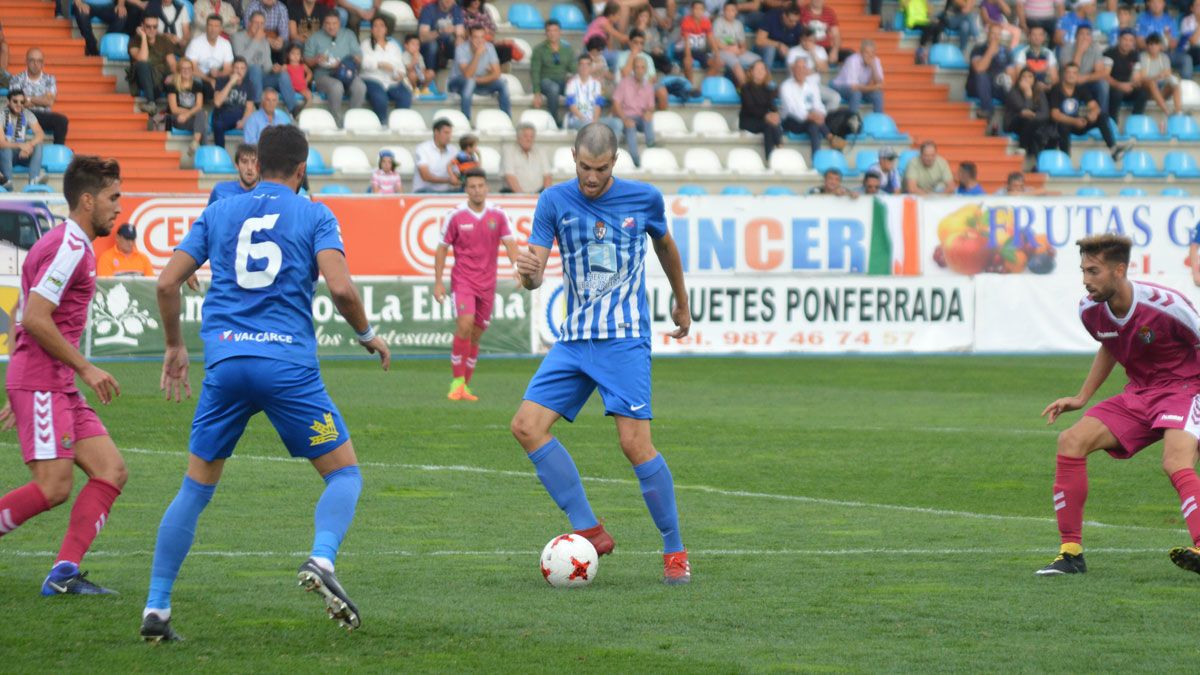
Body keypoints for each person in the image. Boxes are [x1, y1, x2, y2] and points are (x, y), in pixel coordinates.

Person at [141, 124, 391, 643]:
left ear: (260, 163)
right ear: (301, 170)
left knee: (194, 487)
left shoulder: (219, 211)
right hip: (286, 368)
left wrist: (174, 345)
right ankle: (322, 558)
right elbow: (341, 287)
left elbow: (166, 282)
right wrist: (366, 334)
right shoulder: (316, 214)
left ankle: (157, 608)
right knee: (344, 475)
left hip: (227, 364)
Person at [511, 123, 694, 585]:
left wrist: (681, 299)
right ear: (573, 157)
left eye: (601, 169)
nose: (591, 178)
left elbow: (665, 245)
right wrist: (530, 273)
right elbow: (533, 272)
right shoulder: (553, 201)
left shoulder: (644, 198)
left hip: (624, 338)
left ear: (615, 163)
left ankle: (674, 550)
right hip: (575, 339)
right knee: (526, 427)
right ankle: (590, 529)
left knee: (634, 444)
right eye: (584, 168)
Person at [1038, 234, 1200, 578]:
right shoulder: (1090, 310)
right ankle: (1070, 555)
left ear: (1120, 270)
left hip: (1186, 388)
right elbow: (1110, 344)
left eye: (1094, 271)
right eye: (1083, 270)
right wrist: (1082, 397)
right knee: (1071, 441)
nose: (1085, 280)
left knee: (1175, 461)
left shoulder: (1166, 305)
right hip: (1139, 394)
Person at [0, 155, 126, 595]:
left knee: (110, 470)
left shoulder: (64, 242)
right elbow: (35, 317)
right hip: (45, 378)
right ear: (87, 200)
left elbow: (21, 309)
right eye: (113, 198)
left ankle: (64, 573)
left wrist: (19, 379)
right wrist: (85, 367)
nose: (118, 208)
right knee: (53, 487)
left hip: (50, 381)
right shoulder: (69, 246)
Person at [433, 170, 519, 401]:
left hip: (487, 284)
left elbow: (510, 243)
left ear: (487, 188)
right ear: (466, 189)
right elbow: (442, 248)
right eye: (472, 186)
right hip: (463, 281)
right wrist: (439, 282)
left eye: (481, 185)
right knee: (465, 324)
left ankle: (465, 386)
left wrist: (517, 269)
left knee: (476, 335)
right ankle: (456, 382)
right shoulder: (455, 216)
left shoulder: (498, 215)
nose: (477, 190)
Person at [1049, 62, 1129, 160]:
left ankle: (1114, 150)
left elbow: (1094, 106)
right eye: (1068, 72)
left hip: (1080, 122)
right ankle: (1066, 159)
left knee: (1102, 116)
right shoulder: (1056, 89)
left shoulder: (1080, 88)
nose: (1071, 75)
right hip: (1065, 124)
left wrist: (1093, 114)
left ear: (1078, 75)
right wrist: (1074, 121)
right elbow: (1055, 115)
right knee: (1062, 126)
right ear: (1063, 74)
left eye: (1074, 73)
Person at [304, 12, 367, 125]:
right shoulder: (314, 38)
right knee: (336, 86)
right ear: (323, 24)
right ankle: (337, 121)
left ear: (339, 23)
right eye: (328, 23)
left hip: (346, 73)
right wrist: (317, 59)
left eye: (334, 23)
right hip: (324, 75)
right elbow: (307, 61)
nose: (331, 26)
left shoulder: (349, 35)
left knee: (360, 87)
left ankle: (351, 120)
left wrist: (344, 62)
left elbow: (359, 57)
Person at [234, 10, 300, 111]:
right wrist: (256, 39)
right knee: (255, 68)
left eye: (262, 24)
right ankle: (258, 105)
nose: (259, 26)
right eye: (256, 23)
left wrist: (274, 69)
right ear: (249, 23)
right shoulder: (237, 37)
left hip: (261, 79)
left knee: (283, 74)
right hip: (244, 77)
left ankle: (294, 109)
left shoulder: (264, 41)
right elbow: (241, 62)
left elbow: (267, 67)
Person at [448, 25, 511, 119]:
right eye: (476, 37)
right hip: (457, 84)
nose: (479, 40)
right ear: (469, 38)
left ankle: (507, 119)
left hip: (478, 83)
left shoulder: (489, 47)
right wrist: (477, 54)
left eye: (482, 37)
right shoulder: (461, 49)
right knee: (470, 82)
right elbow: (467, 75)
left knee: (502, 83)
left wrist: (477, 80)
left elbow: (497, 73)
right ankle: (466, 120)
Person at [779, 58, 838, 155]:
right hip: (791, 121)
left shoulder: (812, 85)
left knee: (813, 126)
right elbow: (792, 109)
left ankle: (816, 159)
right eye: (798, 67)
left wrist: (820, 114)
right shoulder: (786, 86)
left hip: (810, 120)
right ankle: (830, 137)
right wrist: (811, 116)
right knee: (813, 123)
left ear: (807, 70)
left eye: (803, 68)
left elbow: (818, 104)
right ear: (793, 70)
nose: (800, 70)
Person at [361, 15, 412, 125]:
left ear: (386, 29)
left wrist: (400, 74)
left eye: (382, 26)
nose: (379, 29)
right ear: (371, 29)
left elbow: (401, 66)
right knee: (380, 99)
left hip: (391, 80)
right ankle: (383, 125)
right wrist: (380, 65)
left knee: (405, 96)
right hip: (372, 79)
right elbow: (364, 63)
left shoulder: (393, 46)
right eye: (375, 26)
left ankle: (399, 124)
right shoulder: (366, 45)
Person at [11, 49, 68, 146]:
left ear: (43, 63)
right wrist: (42, 99)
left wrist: (28, 99)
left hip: (43, 116)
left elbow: (49, 102)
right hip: (23, 115)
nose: (35, 64)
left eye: (39, 61)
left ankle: (57, 152)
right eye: (32, 60)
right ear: (26, 62)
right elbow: (18, 103)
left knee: (62, 120)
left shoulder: (50, 79)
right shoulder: (16, 79)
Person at [128, 13, 181, 113]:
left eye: (155, 27)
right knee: (143, 65)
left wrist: (174, 75)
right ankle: (151, 103)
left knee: (178, 73)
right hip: (142, 80)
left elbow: (173, 64)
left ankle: (176, 109)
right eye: (148, 26)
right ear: (142, 26)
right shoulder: (134, 40)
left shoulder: (164, 40)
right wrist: (143, 37)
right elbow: (142, 59)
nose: (152, 30)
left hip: (160, 80)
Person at [612, 56, 656, 167]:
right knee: (630, 126)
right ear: (633, 69)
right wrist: (624, 119)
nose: (640, 70)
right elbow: (616, 103)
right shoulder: (624, 83)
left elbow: (651, 106)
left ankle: (651, 145)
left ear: (645, 70)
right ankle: (635, 159)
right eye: (637, 67)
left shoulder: (649, 86)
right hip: (626, 116)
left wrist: (648, 112)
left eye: (642, 68)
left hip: (641, 117)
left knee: (648, 118)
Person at [1004, 67, 1054, 162]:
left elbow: (1045, 114)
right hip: (1013, 123)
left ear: (1034, 79)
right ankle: (1025, 150)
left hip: (1032, 125)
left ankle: (1025, 150)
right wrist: (1028, 94)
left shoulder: (1039, 92)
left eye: (1030, 76)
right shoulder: (1013, 92)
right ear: (1019, 79)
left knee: (1036, 131)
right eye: (1024, 76)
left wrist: (1034, 118)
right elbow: (1024, 110)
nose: (1027, 79)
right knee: (1028, 120)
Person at [531, 20, 577, 124]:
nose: (552, 33)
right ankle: (554, 121)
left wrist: (573, 79)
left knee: (575, 86)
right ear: (545, 33)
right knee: (553, 88)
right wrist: (537, 93)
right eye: (549, 31)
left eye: (555, 30)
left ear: (560, 32)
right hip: (546, 81)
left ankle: (576, 119)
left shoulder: (567, 50)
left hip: (562, 81)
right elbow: (535, 72)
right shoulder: (539, 50)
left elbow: (574, 69)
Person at [0, 90, 47, 190]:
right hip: (4, 156)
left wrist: (29, 145)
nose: (19, 105)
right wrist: (20, 145)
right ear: (8, 102)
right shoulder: (1, 115)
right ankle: (8, 183)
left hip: (21, 154)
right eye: (15, 101)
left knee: (38, 145)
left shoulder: (27, 114)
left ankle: (33, 182)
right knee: (6, 149)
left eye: (22, 102)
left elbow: (40, 134)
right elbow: (1, 143)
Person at [969, 24, 1016, 122]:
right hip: (979, 87)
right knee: (982, 76)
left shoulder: (1006, 52)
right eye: (993, 34)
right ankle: (987, 111)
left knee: (1008, 83)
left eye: (998, 34)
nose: (995, 37)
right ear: (988, 34)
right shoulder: (978, 49)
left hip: (997, 86)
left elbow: (1011, 75)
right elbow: (979, 69)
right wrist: (991, 50)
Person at [738, 60, 782, 159]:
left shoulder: (768, 89)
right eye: (757, 69)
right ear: (751, 72)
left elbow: (772, 106)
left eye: (762, 69)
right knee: (769, 125)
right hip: (749, 121)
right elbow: (750, 108)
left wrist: (775, 115)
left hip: (763, 121)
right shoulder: (745, 88)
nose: (760, 71)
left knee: (772, 124)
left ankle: (773, 155)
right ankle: (776, 150)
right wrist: (766, 116)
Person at [1137, 33, 1182, 131]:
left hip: (1161, 90)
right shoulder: (1143, 57)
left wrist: (1164, 76)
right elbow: (1143, 78)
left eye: (1156, 44)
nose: (1153, 46)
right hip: (1148, 90)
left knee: (1175, 84)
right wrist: (1158, 76)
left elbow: (1168, 74)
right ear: (1147, 46)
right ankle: (1168, 112)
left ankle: (1178, 113)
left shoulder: (1164, 57)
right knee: (1151, 83)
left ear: (1160, 46)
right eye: (1150, 44)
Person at [186, 14, 236, 97]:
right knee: (195, 81)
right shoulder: (196, 42)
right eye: (210, 25)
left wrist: (218, 74)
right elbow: (192, 68)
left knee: (231, 78)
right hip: (200, 75)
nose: (213, 29)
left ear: (221, 29)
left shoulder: (226, 44)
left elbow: (228, 69)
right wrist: (209, 79)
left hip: (217, 75)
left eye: (216, 26)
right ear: (206, 27)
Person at [1137, 0, 1190, 77]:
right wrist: (1154, 48)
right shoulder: (1142, 19)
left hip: (1166, 53)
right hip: (1147, 53)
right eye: (1153, 2)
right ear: (1148, 4)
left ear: (1163, 4)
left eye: (1159, 2)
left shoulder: (1170, 20)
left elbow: (1174, 44)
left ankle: (1186, 86)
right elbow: (1139, 42)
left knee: (1186, 60)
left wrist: (1166, 42)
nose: (1156, 5)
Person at [1060, 24, 1109, 107]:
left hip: (1086, 81)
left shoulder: (1095, 48)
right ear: (1076, 37)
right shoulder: (1067, 48)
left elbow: (1100, 72)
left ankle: (1103, 116)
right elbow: (1071, 72)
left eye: (1088, 34)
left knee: (1103, 84)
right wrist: (1080, 51)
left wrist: (1085, 78)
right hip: (1068, 81)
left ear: (1091, 38)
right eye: (1081, 34)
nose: (1085, 37)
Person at [212, 57, 256, 149]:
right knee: (218, 124)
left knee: (255, 123)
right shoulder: (221, 81)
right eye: (236, 68)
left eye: (242, 68)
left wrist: (244, 121)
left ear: (246, 70)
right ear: (232, 69)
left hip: (240, 116)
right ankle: (221, 152)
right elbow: (217, 102)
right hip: (223, 114)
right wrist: (231, 83)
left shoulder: (249, 84)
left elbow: (249, 107)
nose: (239, 71)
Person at [166, 58, 208, 155]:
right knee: (202, 120)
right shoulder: (172, 86)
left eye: (189, 68)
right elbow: (174, 109)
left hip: (189, 118)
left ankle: (195, 142)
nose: (186, 71)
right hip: (177, 118)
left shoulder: (198, 85)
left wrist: (187, 114)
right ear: (179, 70)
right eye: (183, 68)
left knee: (201, 120)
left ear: (192, 70)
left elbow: (199, 105)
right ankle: (203, 154)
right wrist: (191, 113)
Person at [714, 1, 760, 86]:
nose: (730, 13)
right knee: (736, 64)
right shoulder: (718, 22)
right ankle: (746, 90)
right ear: (723, 11)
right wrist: (729, 49)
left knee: (757, 60)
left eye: (732, 10)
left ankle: (757, 87)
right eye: (727, 10)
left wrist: (740, 50)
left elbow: (743, 44)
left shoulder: (738, 24)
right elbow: (715, 43)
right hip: (722, 52)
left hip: (736, 51)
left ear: (736, 12)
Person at [831, 39, 884, 113]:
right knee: (856, 94)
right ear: (861, 53)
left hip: (861, 87)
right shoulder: (853, 60)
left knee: (877, 95)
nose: (870, 55)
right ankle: (851, 120)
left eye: (872, 53)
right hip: (840, 86)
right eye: (867, 52)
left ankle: (878, 121)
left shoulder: (875, 61)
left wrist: (873, 67)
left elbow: (879, 82)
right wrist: (874, 87)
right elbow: (854, 87)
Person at [1103, 29, 1147, 119]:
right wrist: (1119, 85)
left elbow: (1136, 76)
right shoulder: (1109, 53)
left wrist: (1133, 84)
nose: (1127, 43)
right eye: (1125, 39)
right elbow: (1104, 76)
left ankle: (1135, 122)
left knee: (1142, 94)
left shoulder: (1135, 54)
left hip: (1126, 86)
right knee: (1117, 94)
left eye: (1130, 40)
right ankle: (1113, 124)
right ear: (1119, 39)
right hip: (1112, 87)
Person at [503, 123, 552, 193]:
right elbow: (510, 177)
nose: (529, 139)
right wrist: (523, 197)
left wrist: (545, 196)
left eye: (531, 136)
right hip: (514, 194)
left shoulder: (541, 152)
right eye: (525, 136)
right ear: (518, 137)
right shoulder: (509, 152)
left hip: (539, 194)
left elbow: (548, 176)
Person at [413, 118, 460, 192]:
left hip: (447, 191)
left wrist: (457, 178)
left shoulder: (453, 150)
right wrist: (449, 180)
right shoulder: (422, 148)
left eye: (450, 133)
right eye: (446, 133)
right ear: (436, 132)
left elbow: (456, 171)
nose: (449, 136)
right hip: (424, 191)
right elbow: (425, 176)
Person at [677, 0, 719, 82]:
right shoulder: (686, 21)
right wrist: (688, 56)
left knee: (717, 64)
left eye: (701, 9)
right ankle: (690, 87)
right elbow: (686, 42)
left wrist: (717, 54)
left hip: (699, 51)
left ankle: (702, 87)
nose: (698, 11)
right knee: (687, 62)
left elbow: (711, 39)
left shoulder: (706, 22)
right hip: (684, 49)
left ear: (704, 11)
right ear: (691, 10)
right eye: (696, 9)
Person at [417, 0, 464, 72]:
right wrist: (441, 31)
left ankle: (460, 76)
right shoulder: (428, 9)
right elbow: (422, 37)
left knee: (460, 44)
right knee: (432, 46)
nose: (448, 1)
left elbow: (460, 32)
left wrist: (459, 38)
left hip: (447, 45)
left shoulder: (456, 9)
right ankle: (430, 75)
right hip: (429, 45)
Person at [754, 4, 804, 71]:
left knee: (794, 52)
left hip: (785, 50)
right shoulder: (771, 16)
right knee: (770, 50)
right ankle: (766, 78)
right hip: (766, 49)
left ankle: (796, 80)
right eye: (791, 21)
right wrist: (778, 45)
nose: (794, 24)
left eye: (796, 21)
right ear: (784, 16)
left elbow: (802, 44)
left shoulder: (797, 24)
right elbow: (759, 41)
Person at [564, 54, 606, 130]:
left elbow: (598, 105)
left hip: (593, 119)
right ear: (578, 66)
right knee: (588, 126)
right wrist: (584, 119)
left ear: (591, 67)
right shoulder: (571, 83)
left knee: (616, 123)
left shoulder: (597, 84)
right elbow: (571, 105)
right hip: (577, 120)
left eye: (587, 65)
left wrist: (595, 120)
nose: (584, 67)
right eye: (582, 64)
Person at [285, 44, 314, 109]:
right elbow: (280, 72)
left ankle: (303, 111)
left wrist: (306, 80)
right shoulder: (286, 66)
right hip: (291, 88)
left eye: (298, 54)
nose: (295, 56)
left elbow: (310, 73)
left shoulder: (303, 66)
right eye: (293, 53)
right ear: (288, 55)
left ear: (301, 56)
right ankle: (292, 111)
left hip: (302, 88)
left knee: (309, 96)